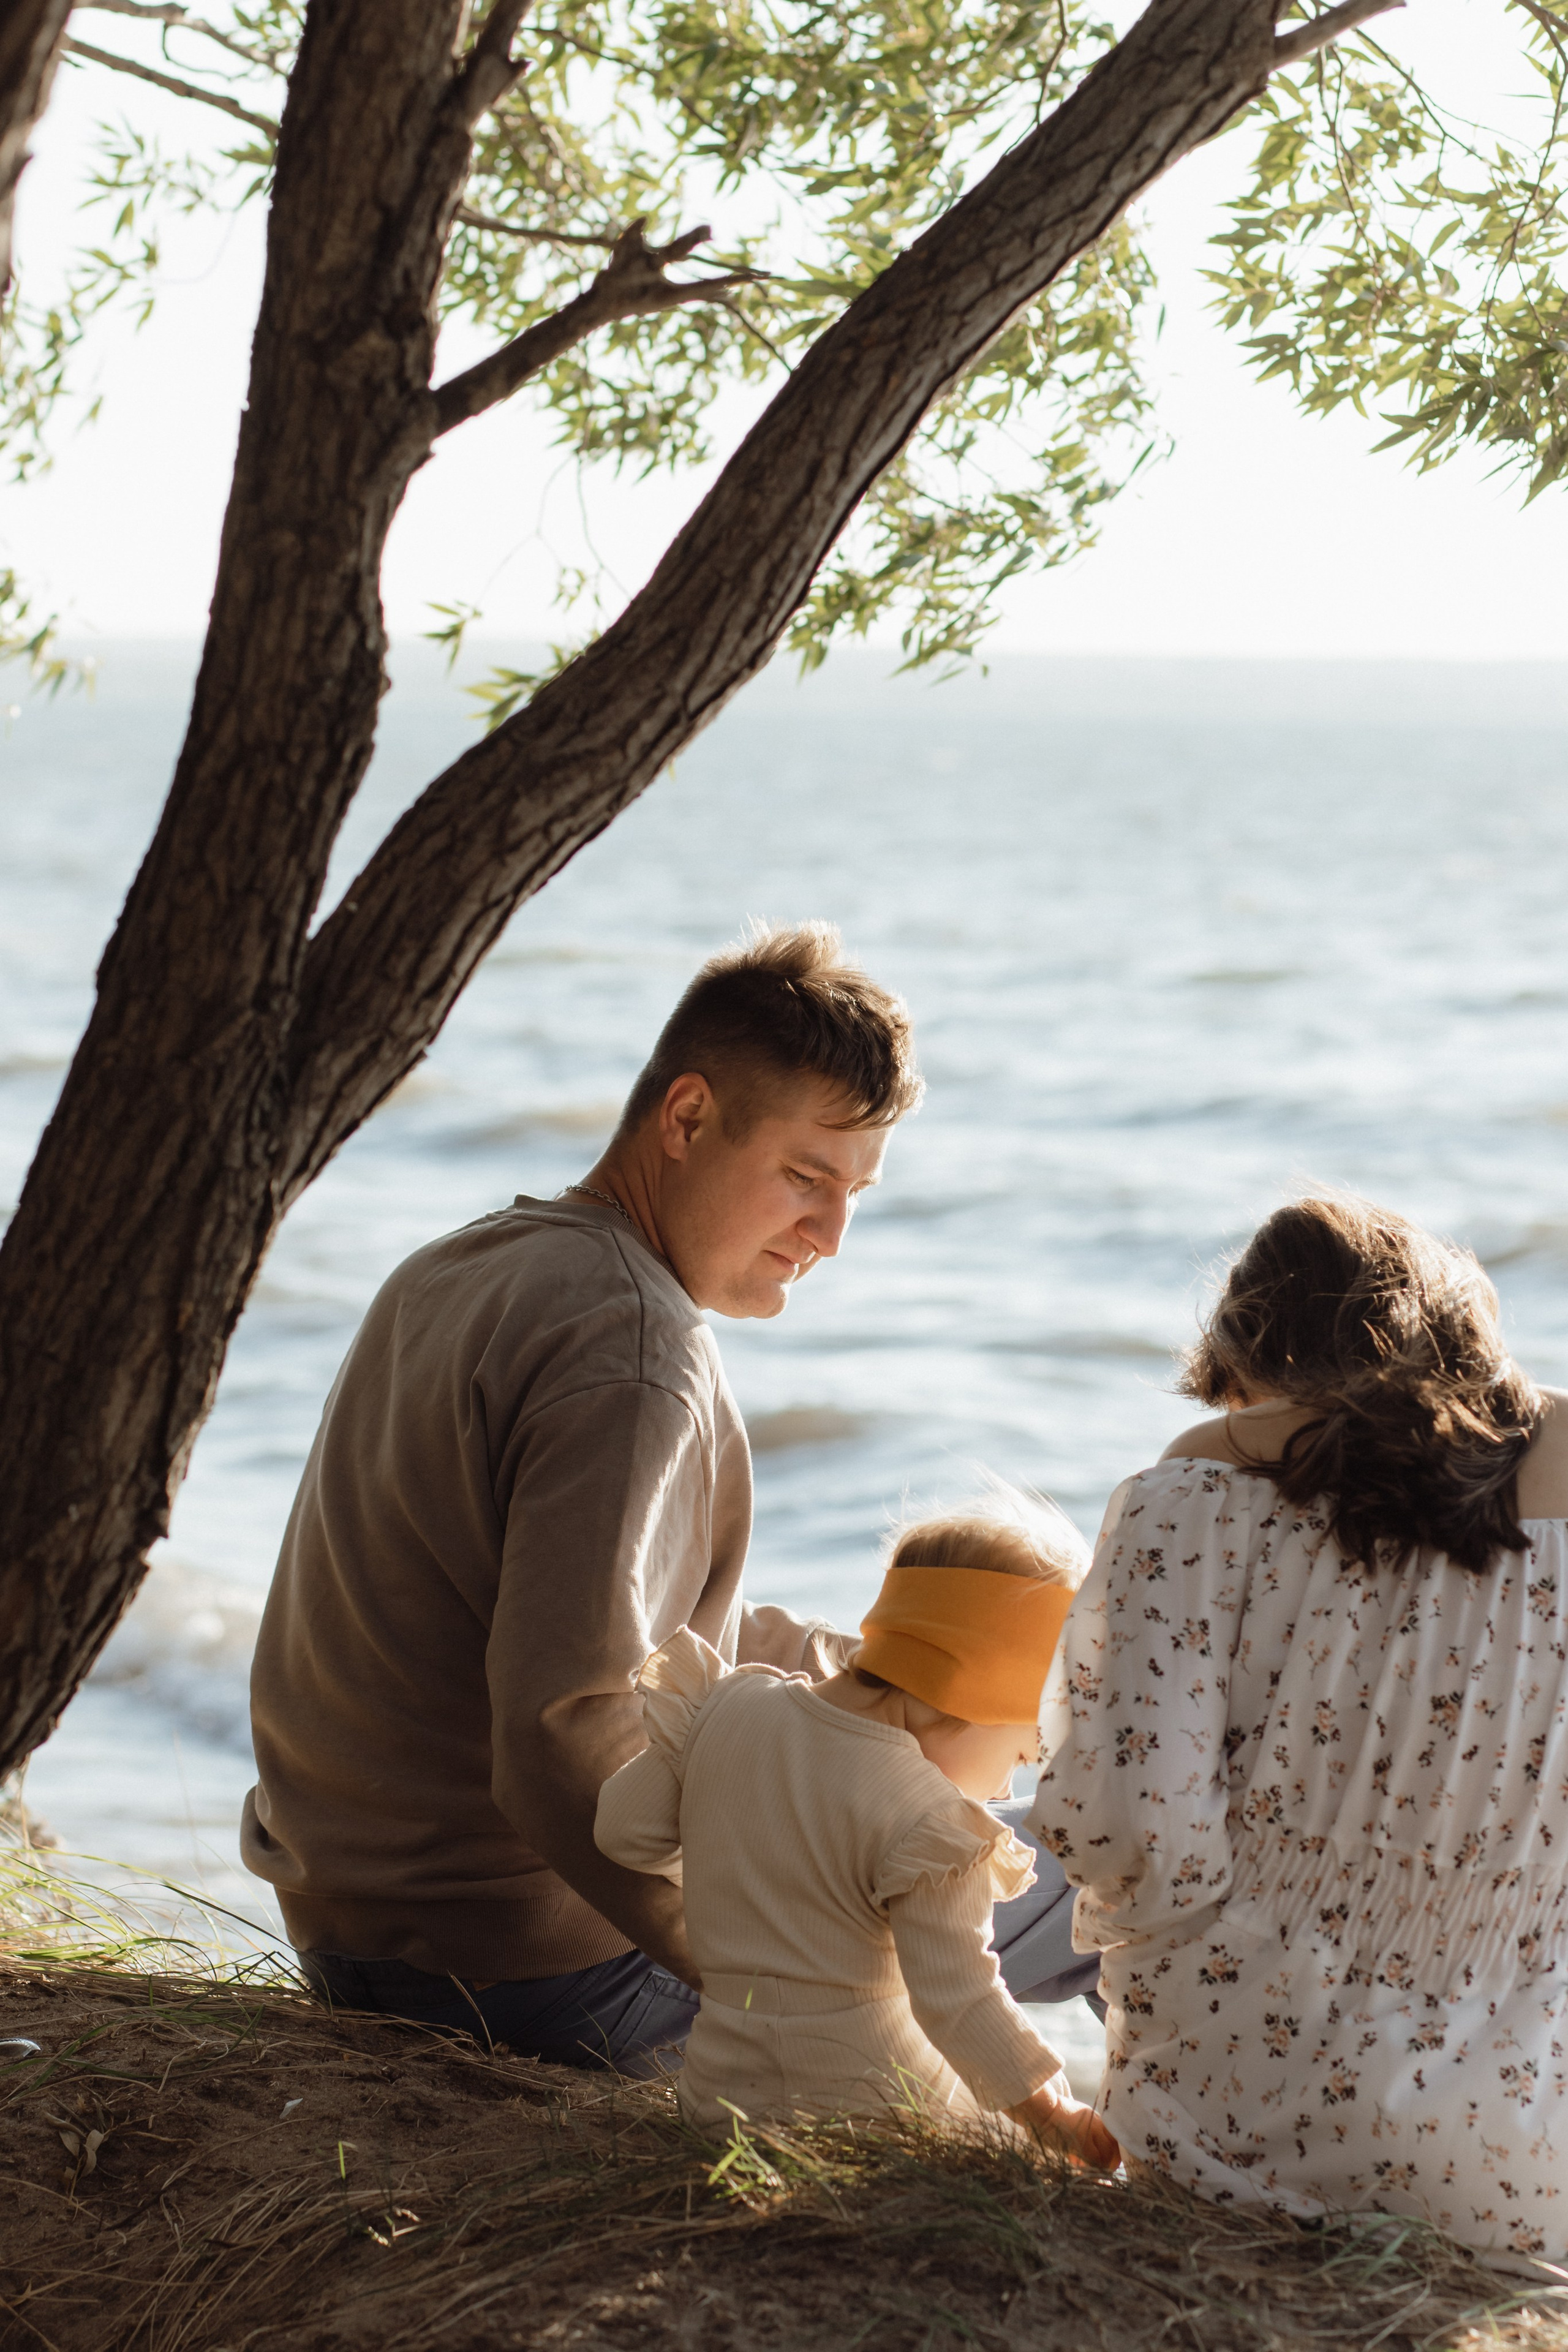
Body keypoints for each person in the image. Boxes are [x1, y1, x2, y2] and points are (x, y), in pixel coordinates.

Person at [241, 924, 922, 2068]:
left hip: (352, 1926)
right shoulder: (638, 1347)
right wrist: (744, 1971)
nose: (833, 1235)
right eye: (807, 1178)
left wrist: (856, 1671)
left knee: (932, 1796)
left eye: (855, 1192)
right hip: (525, 1973)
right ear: (689, 1118)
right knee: (1022, 1884)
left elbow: (559, 1616)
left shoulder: (471, 1264)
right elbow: (563, 1733)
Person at [1033, 1194, 1568, 2265]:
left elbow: (1135, 1829)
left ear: (1248, 1365)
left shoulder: (1194, 1485)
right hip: (1528, 2155)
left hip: (1237, 2125)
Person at [595, 1490, 1120, 2164]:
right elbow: (959, 2002)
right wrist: (1050, 2112)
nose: (1005, 1790)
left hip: (718, 2106)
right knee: (1042, 2166)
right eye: (1020, 1753)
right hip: (878, 2114)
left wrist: (746, 1854)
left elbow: (622, 1831)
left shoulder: (726, 1710)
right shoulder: (929, 1824)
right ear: (979, 1694)